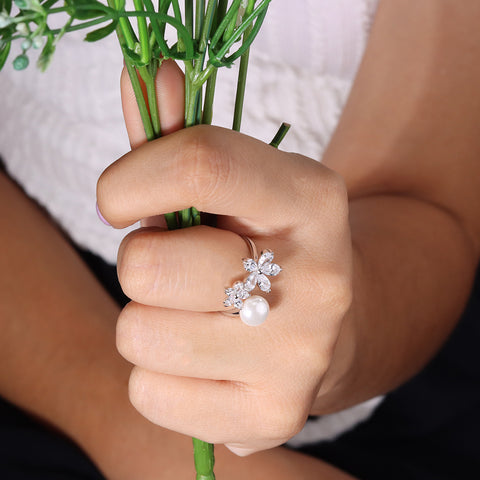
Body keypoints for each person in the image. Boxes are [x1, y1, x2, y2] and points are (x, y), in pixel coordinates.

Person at [1, 1, 480, 478]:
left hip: (383, 316)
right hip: (35, 310)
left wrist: (336, 335)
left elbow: (424, 197)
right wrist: (134, 436)